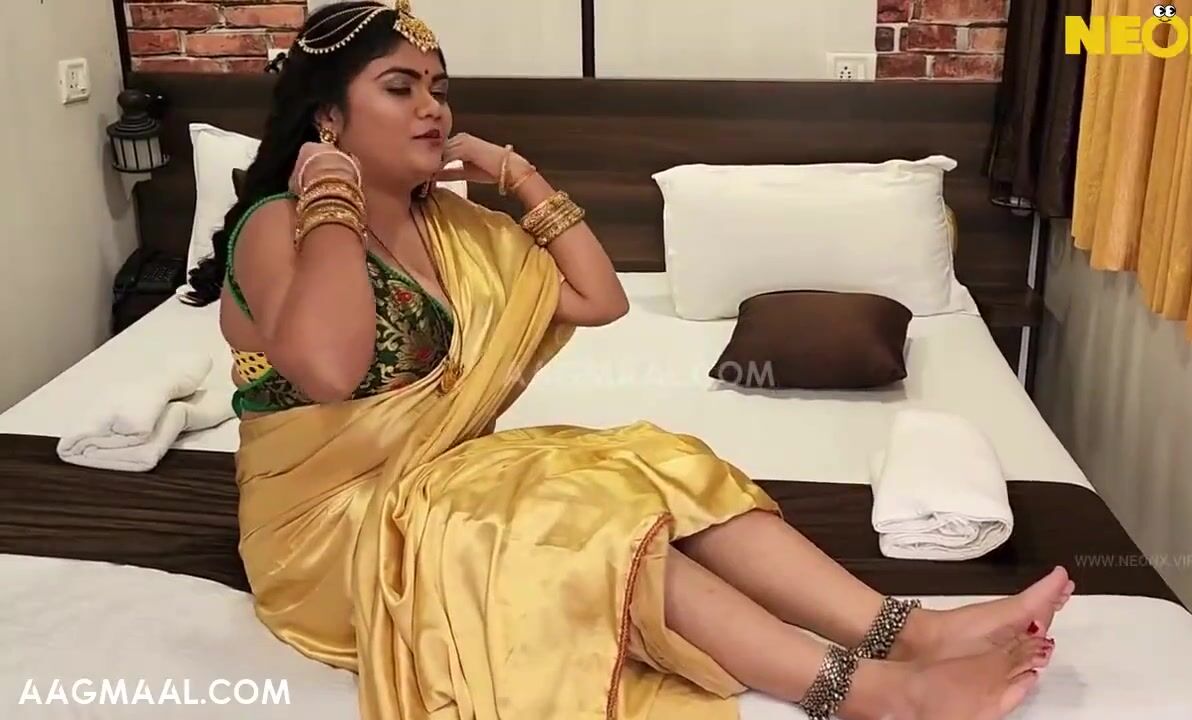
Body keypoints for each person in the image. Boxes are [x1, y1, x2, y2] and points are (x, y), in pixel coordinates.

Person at [184, 2, 1073, 718]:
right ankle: (875, 696)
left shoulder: (454, 227)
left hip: (434, 482)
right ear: (328, 115)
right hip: (332, 539)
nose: (433, 110)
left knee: (655, 460)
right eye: (400, 88)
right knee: (588, 521)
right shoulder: (276, 225)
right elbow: (332, 371)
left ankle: (909, 633)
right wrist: (329, 194)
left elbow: (599, 298)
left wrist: (516, 173)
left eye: (440, 91)